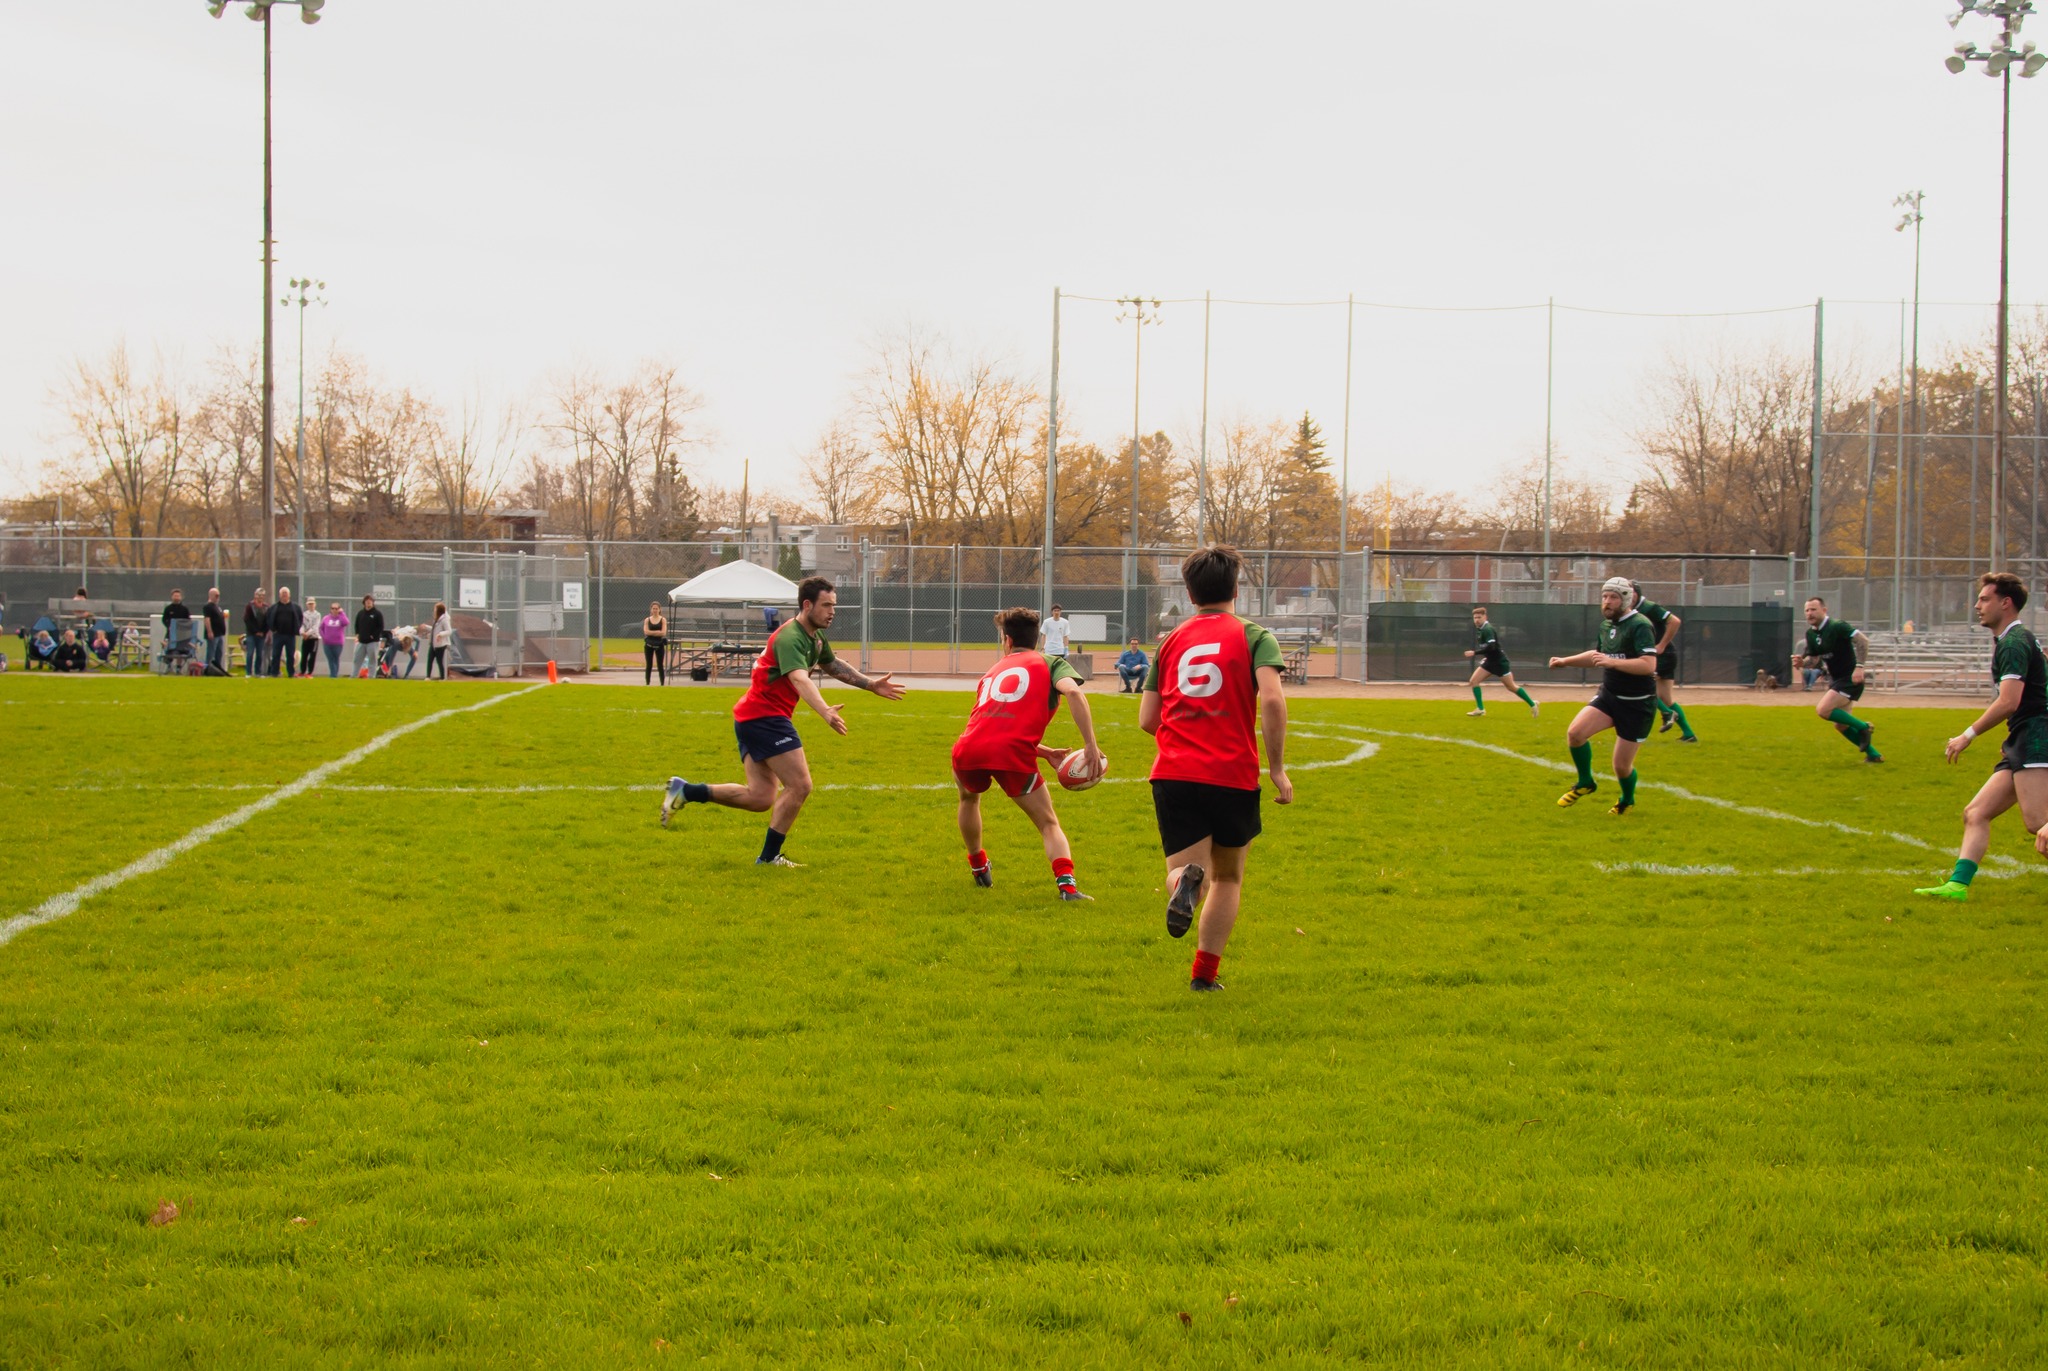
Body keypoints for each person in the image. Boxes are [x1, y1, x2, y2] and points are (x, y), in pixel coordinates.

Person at [660, 576, 908, 867]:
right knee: (801, 785)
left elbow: (832, 664)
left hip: (753, 717)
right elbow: (800, 679)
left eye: (834, 605)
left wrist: (869, 684)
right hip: (765, 718)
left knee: (760, 798)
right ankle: (768, 858)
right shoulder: (791, 637)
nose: (832, 611)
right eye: (826, 605)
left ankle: (686, 791)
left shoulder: (813, 636)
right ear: (807, 605)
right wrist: (825, 710)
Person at [1140, 545, 1292, 992]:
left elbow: (1147, 719)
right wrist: (1278, 768)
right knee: (1227, 876)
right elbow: (1272, 699)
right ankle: (1204, 977)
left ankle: (1181, 886)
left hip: (1174, 772)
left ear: (1189, 593)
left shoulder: (1169, 642)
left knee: (1187, 871)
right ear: (1237, 588)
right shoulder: (1254, 635)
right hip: (1231, 773)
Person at [951, 607, 1106, 900]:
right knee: (1047, 822)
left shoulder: (992, 671)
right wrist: (1090, 745)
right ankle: (1068, 887)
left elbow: (994, 727)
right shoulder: (1050, 663)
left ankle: (978, 865)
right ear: (1038, 639)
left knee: (969, 799)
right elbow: (1073, 693)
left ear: (1007, 641)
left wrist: (1044, 752)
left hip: (969, 746)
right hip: (1011, 754)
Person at [1914, 573, 2048, 901]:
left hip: (2035, 735)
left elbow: (2009, 701)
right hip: (2023, 736)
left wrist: (1967, 735)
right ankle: (1957, 887)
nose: (1977, 605)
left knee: (2040, 824)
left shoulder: (2015, 642)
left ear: (2006, 603)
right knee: (1977, 812)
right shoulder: (2015, 640)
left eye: (1985, 599)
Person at [1548, 576, 1657, 815]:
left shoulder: (1640, 625)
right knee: (1575, 734)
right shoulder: (1607, 626)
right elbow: (1597, 655)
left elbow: (1648, 665)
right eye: (1604, 597)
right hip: (1609, 696)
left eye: (1613, 597)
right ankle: (1586, 782)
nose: (1607, 602)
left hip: (1637, 705)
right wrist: (1566, 661)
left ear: (1626, 599)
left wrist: (1613, 663)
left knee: (1621, 766)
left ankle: (1627, 799)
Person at [1796, 597, 1881, 763]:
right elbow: (1814, 661)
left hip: (1850, 678)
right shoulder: (1811, 634)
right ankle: (1874, 755)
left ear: (1824, 610)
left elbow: (1863, 640)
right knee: (1841, 726)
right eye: (1807, 610)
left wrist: (1860, 666)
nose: (1809, 613)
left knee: (1823, 710)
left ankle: (1864, 727)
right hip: (1836, 680)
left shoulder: (1837, 626)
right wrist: (1802, 663)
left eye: (1813, 609)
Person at [1630, 583, 1696, 742]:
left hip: (1662, 656)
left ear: (1637, 593)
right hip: (1662, 655)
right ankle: (1689, 734)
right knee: (1665, 698)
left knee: (1641, 687)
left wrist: (1661, 645)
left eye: (1629, 592)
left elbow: (1675, 621)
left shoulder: (1649, 607)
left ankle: (1667, 713)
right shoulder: (1632, 610)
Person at [1463, 606, 1538, 718]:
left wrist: (1475, 653)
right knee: (1474, 681)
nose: (1477, 620)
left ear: (1485, 617)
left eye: (1479, 617)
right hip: (1490, 661)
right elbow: (1489, 648)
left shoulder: (1488, 629)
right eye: (1475, 617)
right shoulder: (1480, 629)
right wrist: (1486, 657)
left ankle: (1533, 704)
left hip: (1499, 663)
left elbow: (1492, 647)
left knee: (1511, 687)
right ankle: (1480, 709)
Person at [268, 588, 304, 677]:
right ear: (279, 595)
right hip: (278, 635)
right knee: (276, 654)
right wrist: (273, 629)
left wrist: (296, 628)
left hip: (290, 635)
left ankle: (291, 673)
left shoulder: (296, 607)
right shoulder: (274, 607)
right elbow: (268, 619)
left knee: (290, 655)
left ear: (289, 595)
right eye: (282, 593)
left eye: (286, 593)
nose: (284, 595)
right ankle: (274, 672)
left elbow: (300, 618)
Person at [352, 594, 386, 677]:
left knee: (372, 661)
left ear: (373, 603)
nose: (368, 603)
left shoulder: (377, 614)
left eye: (370, 602)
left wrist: (374, 636)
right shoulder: (360, 613)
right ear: (364, 603)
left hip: (372, 642)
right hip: (361, 641)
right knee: (357, 660)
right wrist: (357, 634)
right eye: (367, 602)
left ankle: (371, 677)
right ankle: (354, 676)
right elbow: (356, 625)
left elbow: (380, 627)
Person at [242, 588, 270, 677]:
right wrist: (255, 631)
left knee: (260, 654)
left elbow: (267, 621)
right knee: (250, 653)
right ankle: (248, 672)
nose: (260, 597)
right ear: (255, 595)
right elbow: (247, 620)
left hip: (262, 635)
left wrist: (263, 632)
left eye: (262, 595)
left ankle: (258, 672)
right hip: (251, 634)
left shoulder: (266, 607)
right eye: (259, 595)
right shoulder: (250, 606)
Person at [202, 588, 228, 673]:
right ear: (211, 595)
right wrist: (210, 631)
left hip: (219, 634)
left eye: (218, 595)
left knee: (219, 653)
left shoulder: (217, 607)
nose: (218, 597)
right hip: (214, 634)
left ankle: (217, 669)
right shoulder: (208, 606)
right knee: (211, 653)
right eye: (216, 595)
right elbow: (207, 619)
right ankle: (207, 669)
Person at [319, 603, 349, 677]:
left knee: (336, 659)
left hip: (338, 643)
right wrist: (324, 637)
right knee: (330, 659)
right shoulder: (326, 618)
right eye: (333, 608)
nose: (334, 610)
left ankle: (333, 675)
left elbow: (346, 623)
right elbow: (321, 628)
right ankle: (333, 675)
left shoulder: (341, 618)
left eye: (336, 608)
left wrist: (342, 613)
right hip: (327, 643)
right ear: (330, 609)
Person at [643, 601, 669, 685]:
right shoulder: (647, 620)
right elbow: (646, 632)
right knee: (649, 665)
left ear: (659, 609)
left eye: (656, 609)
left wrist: (653, 632)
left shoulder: (663, 620)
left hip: (659, 644)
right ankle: (647, 683)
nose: (655, 610)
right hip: (649, 644)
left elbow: (663, 632)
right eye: (653, 608)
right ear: (651, 609)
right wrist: (657, 632)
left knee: (660, 665)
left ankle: (662, 683)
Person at [427, 601, 451, 679]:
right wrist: (426, 627)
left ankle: (442, 677)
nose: (434, 610)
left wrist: (440, 634)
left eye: (435, 609)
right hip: (433, 644)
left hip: (440, 645)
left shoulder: (444, 620)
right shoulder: (436, 620)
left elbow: (449, 631)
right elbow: (434, 629)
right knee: (429, 660)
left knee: (439, 661)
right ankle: (428, 677)